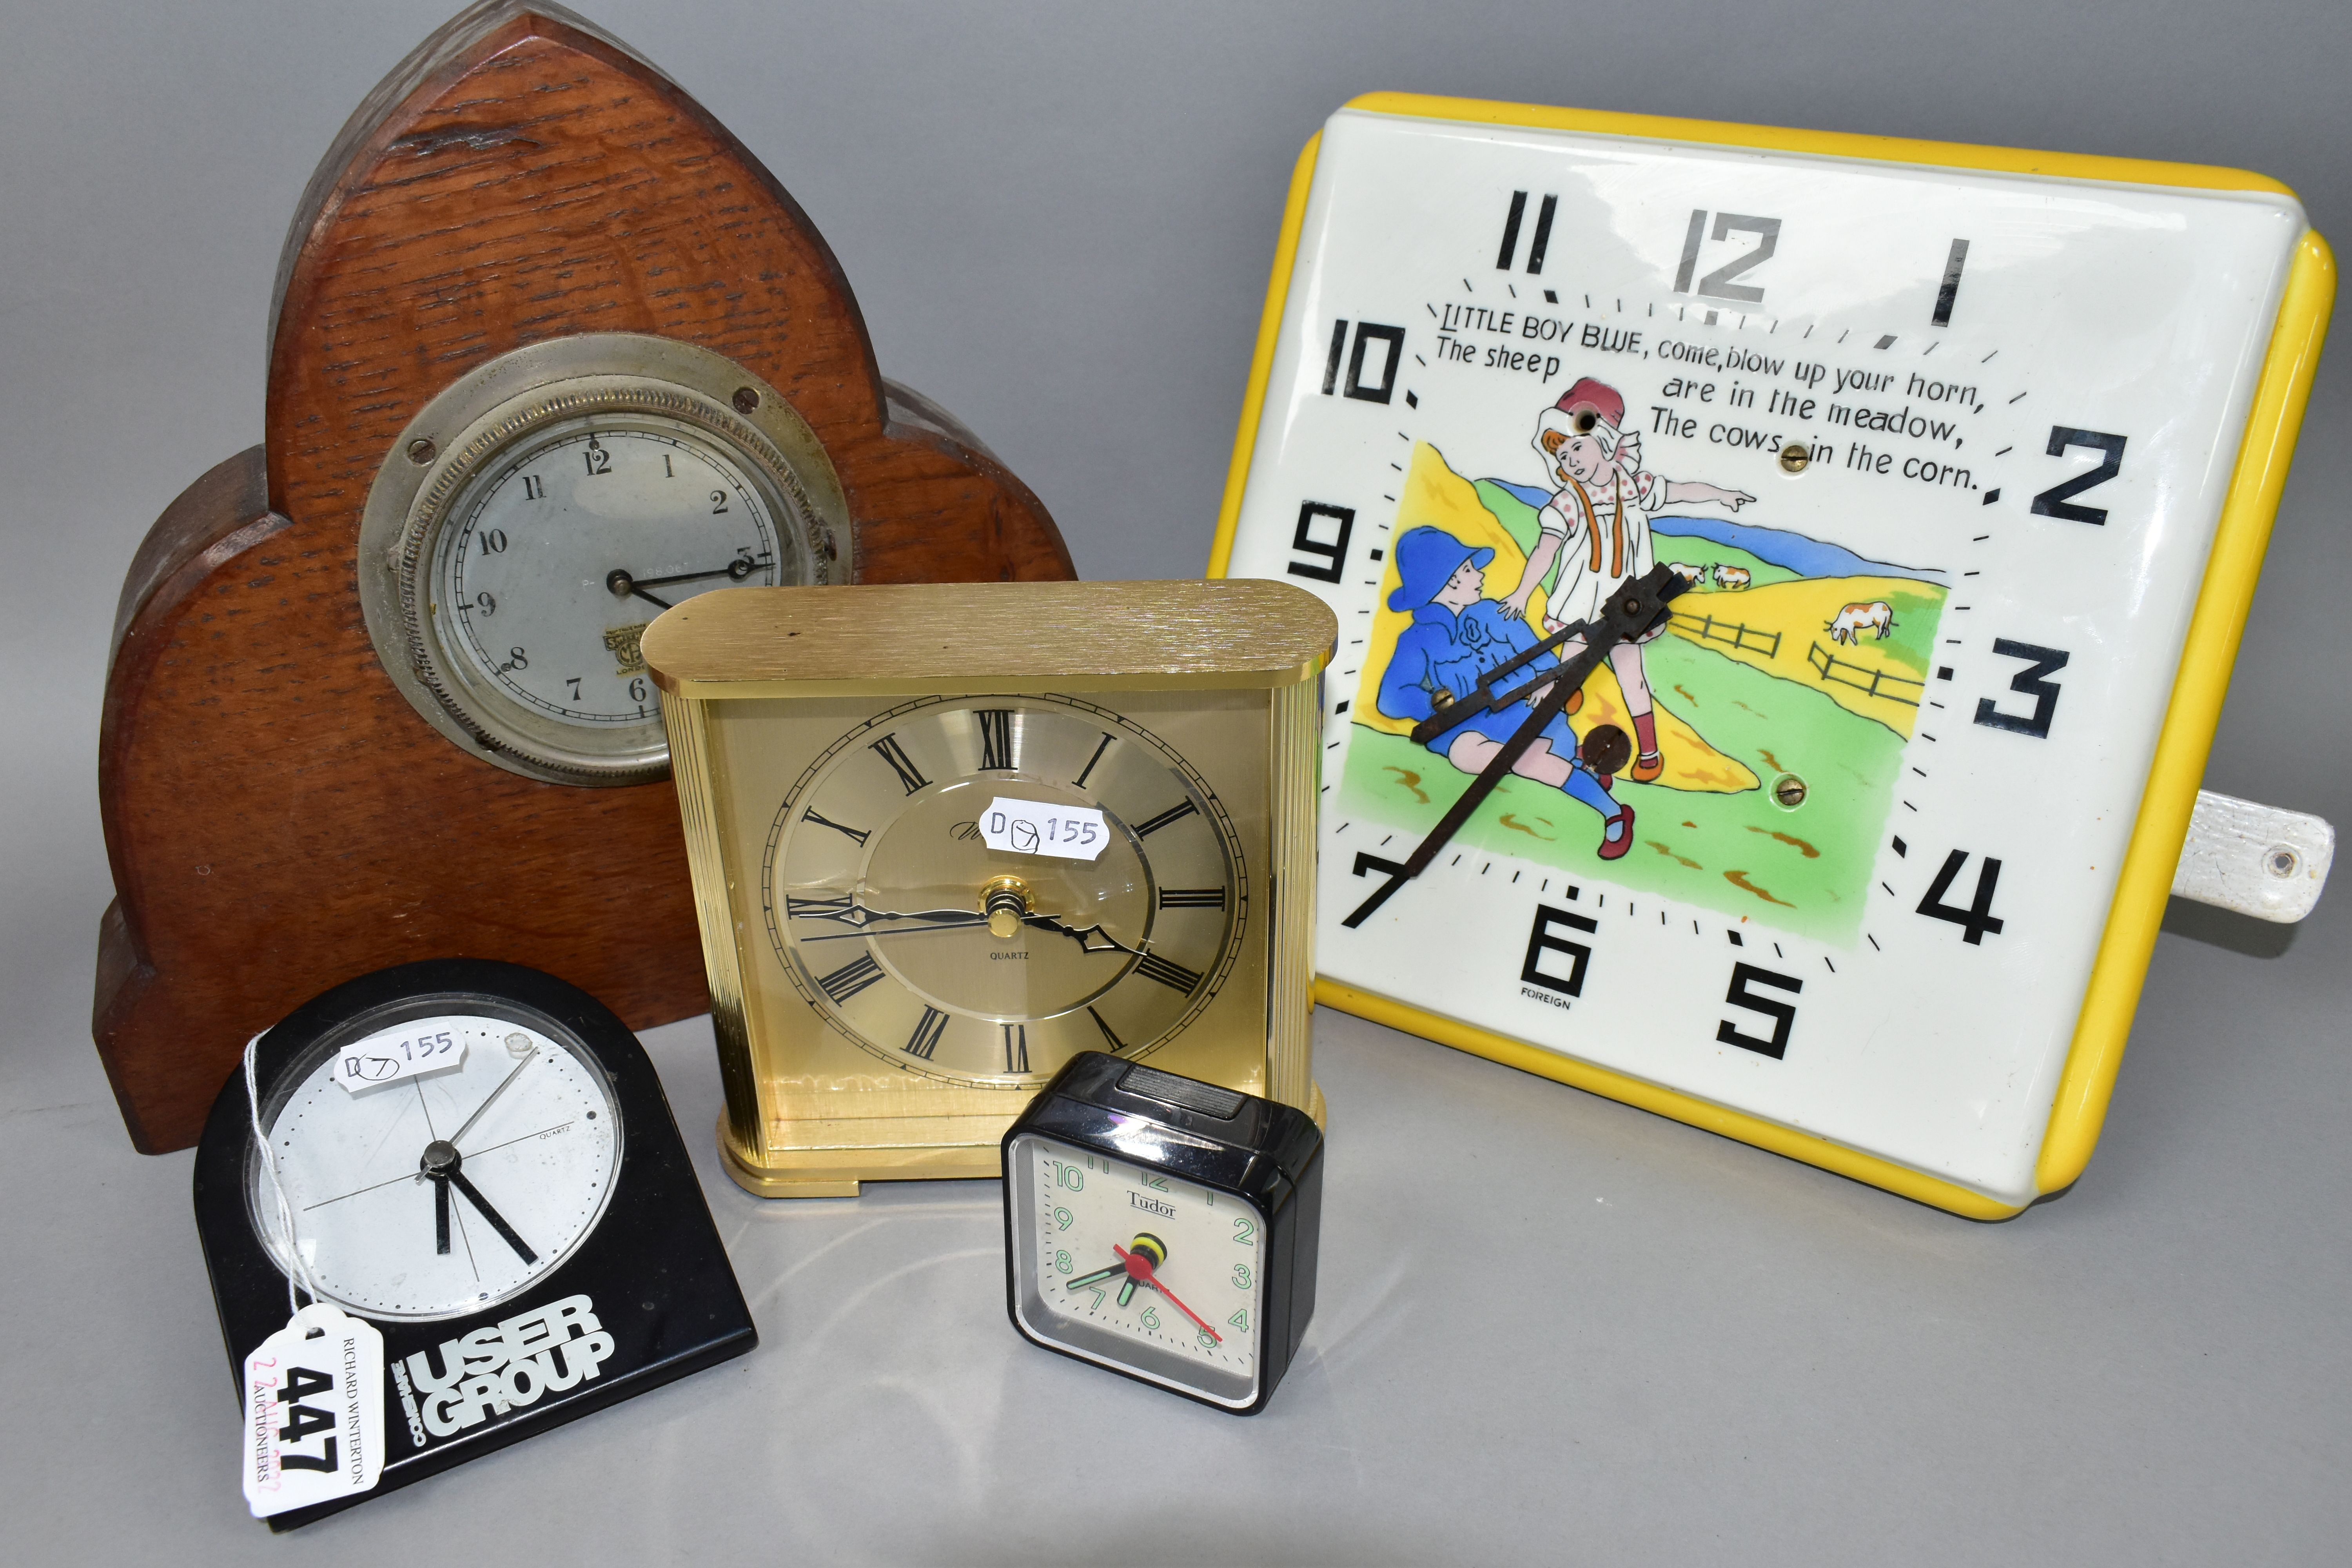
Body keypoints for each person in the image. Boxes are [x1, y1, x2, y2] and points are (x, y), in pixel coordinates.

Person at [1501, 378, 1753, 782]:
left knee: (1632, 676)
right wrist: (1521, 591)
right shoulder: (1567, 501)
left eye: (1578, 447)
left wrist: (1720, 494)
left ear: (1604, 443)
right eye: (1563, 456)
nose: (1572, 461)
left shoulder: (1635, 487)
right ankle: (1537, 742)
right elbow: (1545, 550)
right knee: (1561, 671)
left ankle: (1649, 753)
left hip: (1629, 605)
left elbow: (1680, 492)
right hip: (1579, 602)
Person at [1377, 525, 1634, 860]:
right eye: (1469, 569)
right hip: (1467, 730)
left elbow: (1543, 658)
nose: (1480, 575)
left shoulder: (1499, 616)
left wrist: (1548, 684)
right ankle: (1609, 807)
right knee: (1497, 756)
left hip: (1525, 713)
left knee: (1532, 752)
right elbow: (1390, 696)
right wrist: (1434, 703)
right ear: (1450, 581)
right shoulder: (1417, 639)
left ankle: (1595, 788)